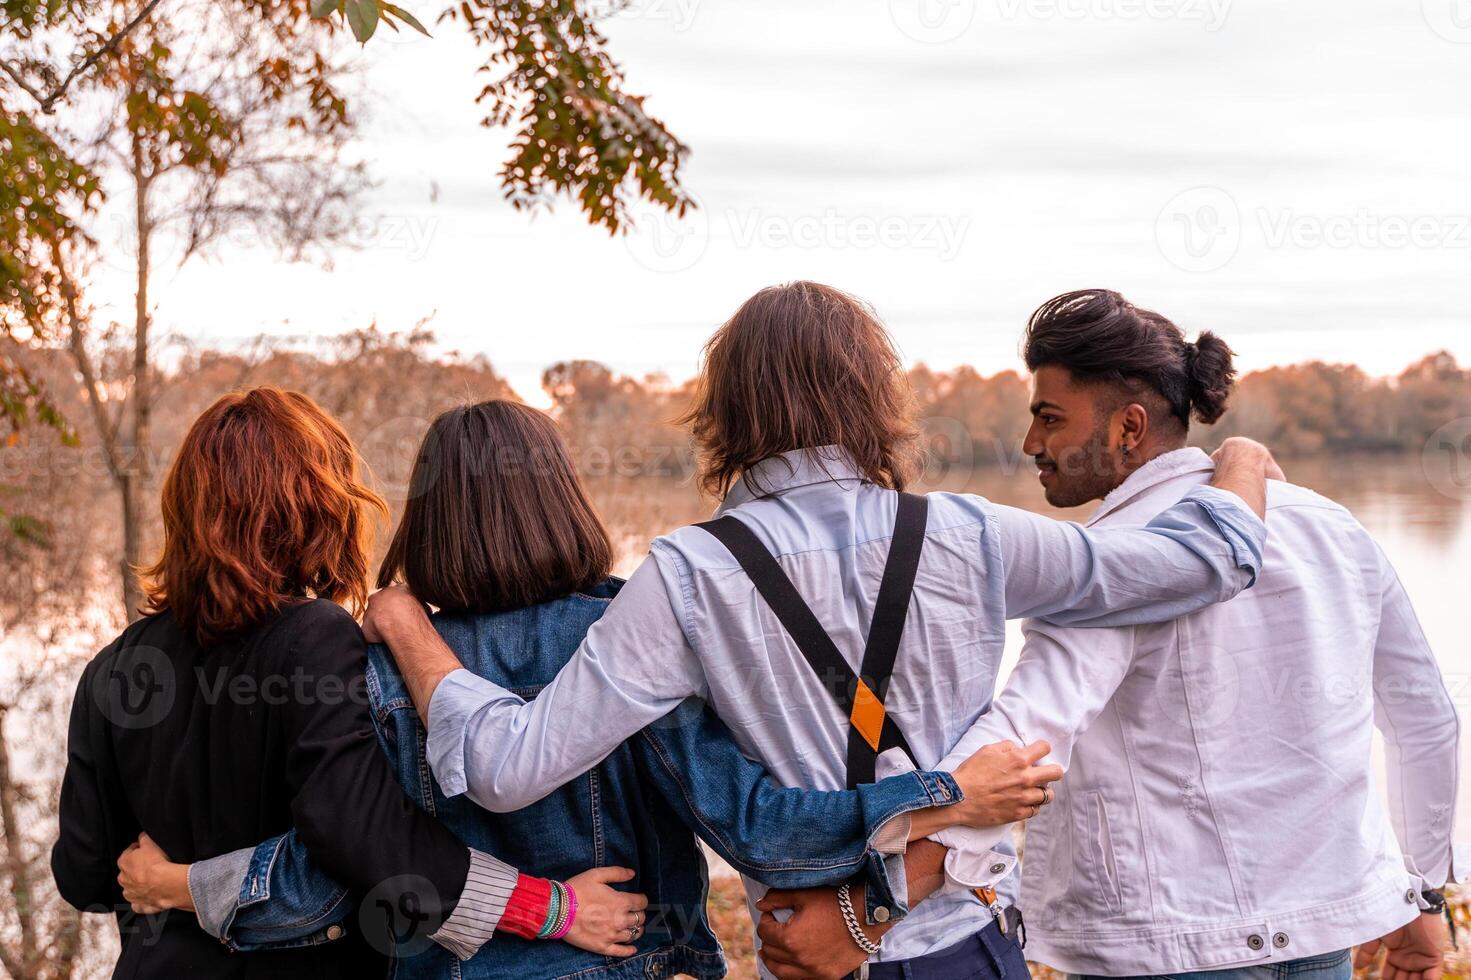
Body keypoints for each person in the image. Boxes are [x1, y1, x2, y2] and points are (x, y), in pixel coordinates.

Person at [364, 281, 1279, 979]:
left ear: (727, 409)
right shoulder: (964, 531)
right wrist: (1234, 461)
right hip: (966, 940)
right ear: (870, 395)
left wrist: (408, 627)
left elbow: (507, 767)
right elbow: (1203, 566)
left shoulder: (685, 575)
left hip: (805, 951)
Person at [113, 398, 1063, 979]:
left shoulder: (384, 671)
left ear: (428, 519)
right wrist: (937, 799)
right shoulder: (641, 635)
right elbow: (759, 827)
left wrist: (177, 884)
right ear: (566, 498)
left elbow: (336, 881)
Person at [765, 289, 1464, 980]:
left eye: (1048, 418)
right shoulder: (1330, 526)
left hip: (1168, 949)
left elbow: (1027, 743)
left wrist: (866, 904)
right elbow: (1425, 719)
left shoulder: (1111, 563)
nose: (1030, 444)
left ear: (1127, 427)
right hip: (1320, 942)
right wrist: (1422, 893)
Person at [50, 387, 642, 980]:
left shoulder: (113, 665)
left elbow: (85, 876)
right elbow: (367, 839)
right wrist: (551, 908)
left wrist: (170, 883)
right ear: (315, 505)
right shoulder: (313, 636)